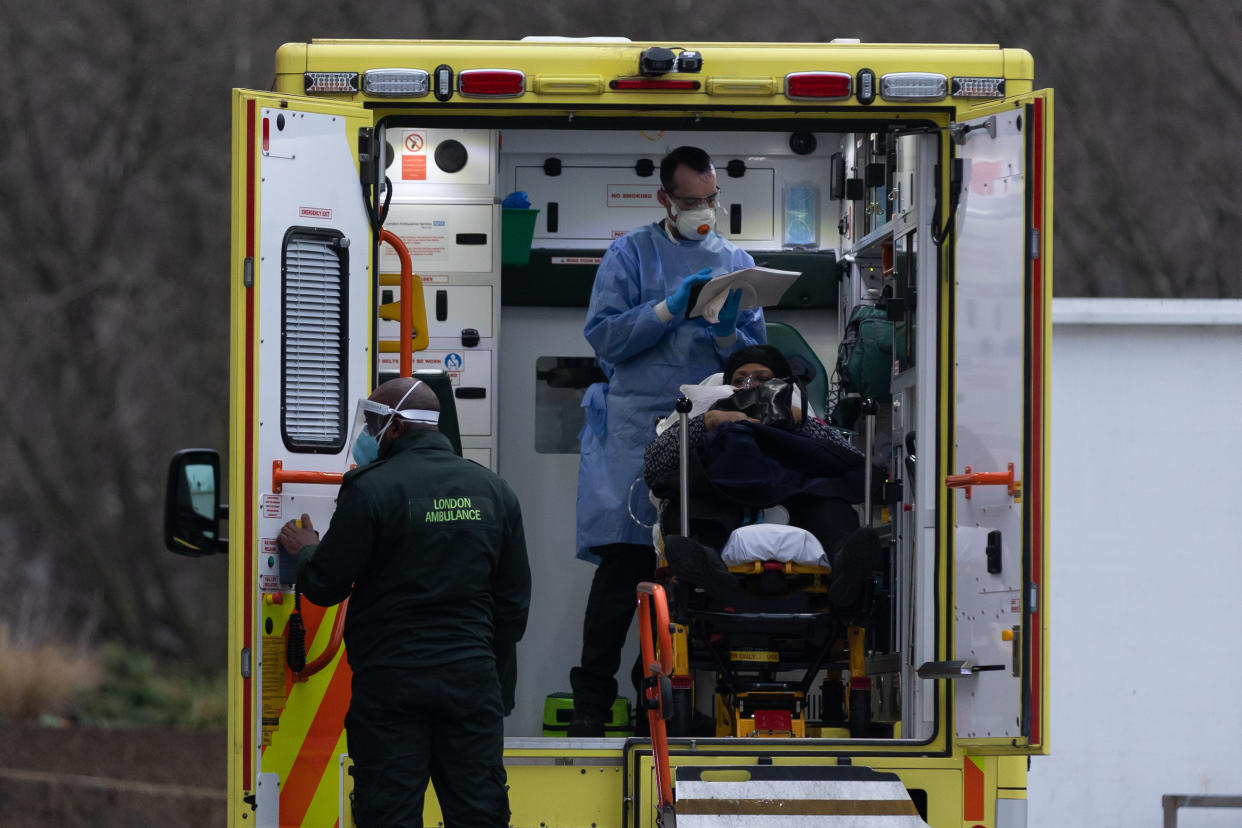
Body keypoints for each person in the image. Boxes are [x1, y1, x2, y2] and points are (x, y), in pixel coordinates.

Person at [569, 146, 766, 737]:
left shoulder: (735, 260)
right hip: (634, 433)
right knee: (623, 570)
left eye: (710, 199)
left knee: (688, 571)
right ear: (665, 200)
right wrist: (667, 310)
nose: (703, 210)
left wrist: (731, 336)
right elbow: (605, 339)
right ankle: (590, 709)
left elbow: (751, 364)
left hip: (704, 432)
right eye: (691, 201)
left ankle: (657, 701)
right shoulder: (631, 254)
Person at [277, 377, 530, 827]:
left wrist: (307, 549)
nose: (366, 436)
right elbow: (513, 607)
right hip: (471, 683)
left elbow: (325, 584)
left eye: (372, 424)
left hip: (392, 685)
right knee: (479, 814)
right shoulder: (495, 491)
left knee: (388, 813)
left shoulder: (371, 489)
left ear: (393, 430)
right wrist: (475, 659)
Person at [642, 344, 880, 608]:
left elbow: (847, 460)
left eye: (764, 379)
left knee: (831, 507)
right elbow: (655, 465)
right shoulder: (707, 417)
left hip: (792, 495)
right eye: (739, 378)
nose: (750, 384)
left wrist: (802, 424)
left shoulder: (799, 416)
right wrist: (707, 421)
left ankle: (845, 561)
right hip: (722, 493)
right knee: (688, 507)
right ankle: (707, 566)